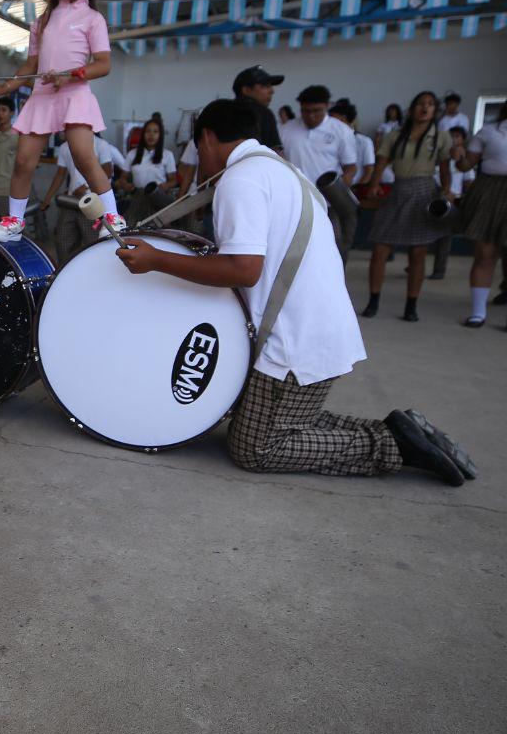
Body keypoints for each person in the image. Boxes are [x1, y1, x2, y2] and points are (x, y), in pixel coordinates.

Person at [116, 98, 474, 486]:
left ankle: (392, 445)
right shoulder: (282, 171)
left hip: (294, 340)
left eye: (197, 148)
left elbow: (243, 269)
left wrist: (158, 261)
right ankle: (406, 429)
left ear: (206, 137)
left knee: (255, 448)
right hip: (318, 326)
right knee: (272, 420)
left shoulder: (242, 179)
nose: (197, 157)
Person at [0, 0, 120, 242]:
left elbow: (103, 64)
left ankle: (112, 216)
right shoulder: (40, 23)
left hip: (74, 92)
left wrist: (71, 76)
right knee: (23, 161)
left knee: (83, 156)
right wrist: (2, 87)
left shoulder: (93, 19)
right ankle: (14, 222)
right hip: (42, 95)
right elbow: (31, 64)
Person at [362, 91, 452, 322]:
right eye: (421, 104)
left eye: (430, 104)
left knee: (418, 252)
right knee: (380, 248)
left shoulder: (441, 136)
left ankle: (411, 305)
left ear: (435, 110)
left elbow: (444, 166)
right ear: (411, 109)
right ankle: (373, 300)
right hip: (398, 189)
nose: (425, 108)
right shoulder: (395, 135)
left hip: (424, 191)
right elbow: (382, 161)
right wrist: (373, 184)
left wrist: (446, 189)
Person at [176, 65, 285, 194]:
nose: (271, 91)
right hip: (254, 188)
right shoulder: (263, 113)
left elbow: (204, 160)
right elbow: (276, 155)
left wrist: (201, 192)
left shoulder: (220, 114)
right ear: (246, 90)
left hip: (217, 190)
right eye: (264, 86)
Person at [280, 85, 359, 265]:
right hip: (297, 202)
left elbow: (350, 167)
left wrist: (341, 188)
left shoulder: (340, 130)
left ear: (327, 106)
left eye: (317, 111)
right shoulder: (286, 130)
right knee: (297, 253)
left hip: (330, 203)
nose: (311, 116)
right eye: (306, 111)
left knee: (334, 250)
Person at [456, 103, 507, 327]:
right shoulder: (488, 131)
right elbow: (467, 165)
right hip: (490, 191)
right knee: (485, 253)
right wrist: (458, 156)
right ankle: (478, 312)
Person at [39, 130, 123, 265]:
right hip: (71, 200)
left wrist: (86, 187)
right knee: (62, 239)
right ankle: (65, 274)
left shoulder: (101, 144)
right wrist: (48, 198)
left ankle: (95, 271)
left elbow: (107, 171)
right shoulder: (64, 147)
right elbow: (60, 174)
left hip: (93, 201)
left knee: (93, 241)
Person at [429, 126, 474, 280]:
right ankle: (413, 265)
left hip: (452, 204)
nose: (454, 139)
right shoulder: (437, 159)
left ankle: (439, 269)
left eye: (457, 136)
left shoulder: (465, 165)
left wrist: (457, 198)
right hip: (431, 200)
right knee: (421, 235)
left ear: (463, 140)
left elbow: (469, 185)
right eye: (451, 136)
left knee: (444, 237)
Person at [119, 118, 178, 227]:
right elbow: (122, 178)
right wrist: (126, 185)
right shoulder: (132, 154)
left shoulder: (167, 155)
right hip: (137, 195)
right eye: (148, 131)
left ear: (160, 135)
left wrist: (166, 185)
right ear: (143, 134)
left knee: (158, 229)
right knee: (132, 226)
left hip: (157, 195)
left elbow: (173, 181)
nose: (151, 135)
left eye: (155, 132)